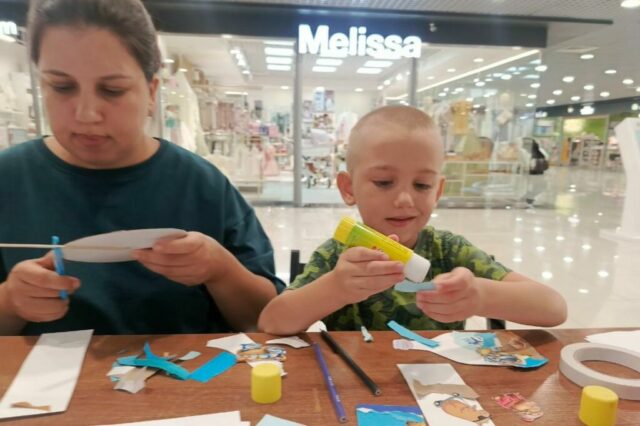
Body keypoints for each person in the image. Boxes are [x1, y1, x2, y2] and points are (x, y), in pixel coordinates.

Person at [0, 0, 284, 336]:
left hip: (184, 370)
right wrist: (10, 302)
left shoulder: (200, 185)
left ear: (151, 92)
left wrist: (220, 270)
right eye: (62, 87)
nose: (87, 114)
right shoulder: (9, 179)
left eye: (112, 90)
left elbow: (265, 319)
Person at [259, 106, 567, 335]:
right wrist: (335, 288)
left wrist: (481, 296)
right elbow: (271, 322)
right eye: (384, 182)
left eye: (422, 185)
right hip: (357, 389)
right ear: (348, 188)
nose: (405, 199)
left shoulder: (448, 250)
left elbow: (554, 307)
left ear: (438, 191)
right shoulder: (338, 256)